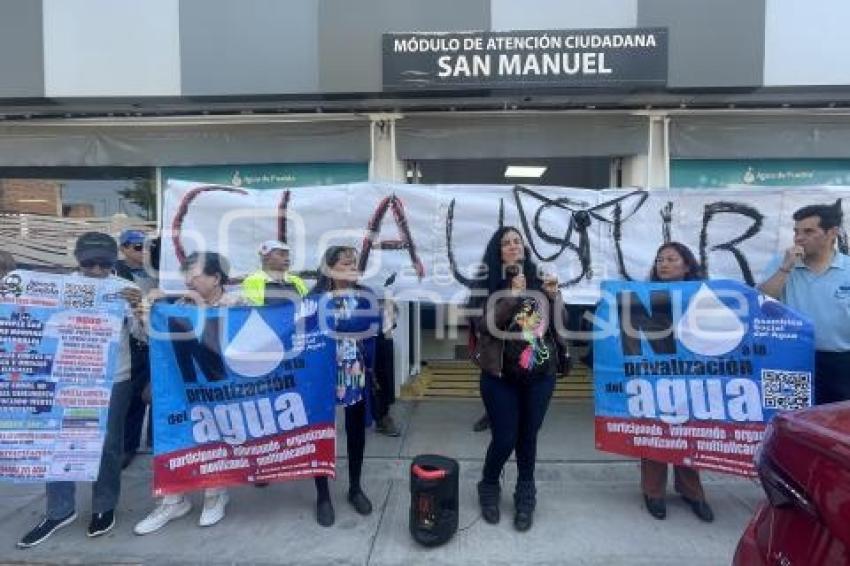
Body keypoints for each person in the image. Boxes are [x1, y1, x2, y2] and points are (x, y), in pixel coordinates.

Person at [18, 232, 143, 548]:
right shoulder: (57, 287)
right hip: (66, 377)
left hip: (114, 377)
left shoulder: (126, 289)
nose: (98, 271)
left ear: (114, 261)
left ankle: (104, 506)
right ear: (78, 259)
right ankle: (59, 510)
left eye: (105, 263)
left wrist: (140, 310)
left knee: (108, 446)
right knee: (59, 443)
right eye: (91, 263)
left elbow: (144, 335)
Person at [133, 252, 246, 535]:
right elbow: (157, 343)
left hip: (222, 391)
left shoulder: (238, 304)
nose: (188, 281)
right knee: (178, 438)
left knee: (217, 439)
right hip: (183, 390)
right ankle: (173, 499)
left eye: (194, 275)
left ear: (216, 277)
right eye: (186, 276)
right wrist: (145, 316)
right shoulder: (179, 306)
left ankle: (215, 494)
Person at [467, 227, 568, 532]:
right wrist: (510, 296)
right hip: (500, 375)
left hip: (540, 374)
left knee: (528, 437)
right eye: (505, 244)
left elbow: (562, 325)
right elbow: (484, 325)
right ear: (497, 252)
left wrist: (556, 297)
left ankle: (526, 493)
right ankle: (488, 484)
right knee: (505, 438)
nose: (513, 247)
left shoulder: (540, 281)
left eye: (517, 242)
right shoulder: (486, 283)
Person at [640, 242, 714, 523]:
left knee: (689, 432)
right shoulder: (643, 295)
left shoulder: (705, 295)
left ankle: (692, 491)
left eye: (671, 259)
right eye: (660, 260)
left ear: (687, 265)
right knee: (655, 431)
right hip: (655, 375)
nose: (664, 264)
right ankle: (653, 491)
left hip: (692, 375)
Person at [309, 245, 377, 527]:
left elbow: (371, 329)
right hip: (321, 372)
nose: (352, 265)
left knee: (355, 430)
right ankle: (323, 495)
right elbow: (306, 332)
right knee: (322, 432)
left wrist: (339, 330)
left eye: (354, 262)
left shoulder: (366, 295)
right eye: (345, 261)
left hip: (355, 370)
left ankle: (355, 487)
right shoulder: (313, 299)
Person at [759, 201, 850, 405]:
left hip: (841, 361)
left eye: (808, 231)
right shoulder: (780, 264)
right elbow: (762, 303)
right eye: (796, 231)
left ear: (832, 233)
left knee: (837, 426)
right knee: (789, 418)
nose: (799, 238)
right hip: (789, 358)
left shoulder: (847, 268)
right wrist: (785, 269)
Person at [114, 230, 157, 469]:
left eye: (147, 247)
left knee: (159, 394)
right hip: (133, 341)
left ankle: (154, 441)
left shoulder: (158, 272)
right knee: (133, 398)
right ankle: (127, 447)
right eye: (138, 247)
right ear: (124, 248)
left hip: (157, 340)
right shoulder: (115, 273)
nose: (144, 252)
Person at [242, 240, 308, 304]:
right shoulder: (253, 281)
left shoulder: (296, 280)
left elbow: (308, 303)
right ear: (266, 258)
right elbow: (256, 309)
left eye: (287, 255)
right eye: (281, 255)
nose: (287, 259)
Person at [372, 299, 401, 436]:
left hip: (383, 335)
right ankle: (377, 417)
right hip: (361, 333)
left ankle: (383, 416)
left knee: (385, 379)